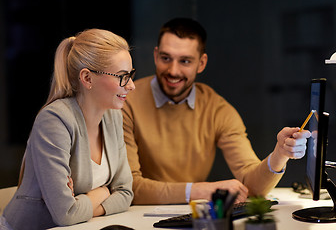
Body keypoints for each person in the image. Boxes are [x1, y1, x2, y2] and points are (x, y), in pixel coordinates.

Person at [122, 18, 311, 205]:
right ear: (155, 56)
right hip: (138, 217)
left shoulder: (217, 109)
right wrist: (202, 190)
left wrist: (280, 155)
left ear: (201, 63)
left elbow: (252, 186)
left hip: (193, 216)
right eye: (165, 58)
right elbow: (129, 187)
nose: (173, 70)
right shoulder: (126, 102)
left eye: (185, 61)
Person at [1, 29, 135, 230]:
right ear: (87, 78)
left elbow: (125, 194)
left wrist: (84, 202)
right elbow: (65, 214)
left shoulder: (113, 116)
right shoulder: (54, 120)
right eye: (122, 76)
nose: (131, 85)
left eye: (131, 75)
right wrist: (102, 192)